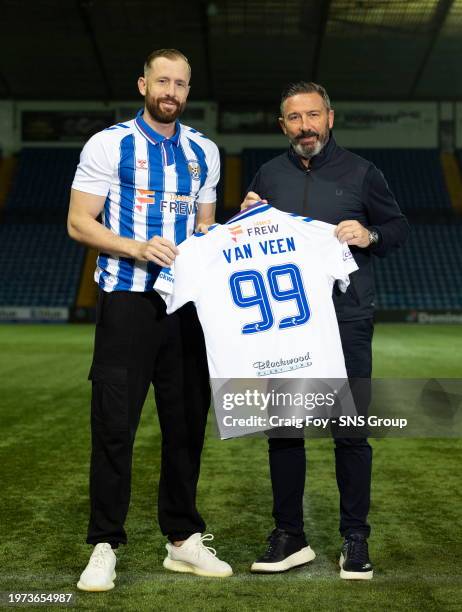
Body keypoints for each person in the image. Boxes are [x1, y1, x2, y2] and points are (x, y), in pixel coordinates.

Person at [67, 48, 232, 591]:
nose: (172, 92)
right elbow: (78, 223)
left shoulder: (204, 151)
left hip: (186, 308)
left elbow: (206, 228)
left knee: (185, 424)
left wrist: (238, 226)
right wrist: (137, 247)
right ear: (143, 84)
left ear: (188, 91)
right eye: (162, 81)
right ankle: (104, 544)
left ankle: (182, 538)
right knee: (115, 426)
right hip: (128, 304)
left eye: (181, 84)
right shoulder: (109, 144)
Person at [241, 81, 409, 579]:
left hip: (347, 319)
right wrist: (247, 219)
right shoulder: (268, 176)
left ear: (330, 118)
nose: (305, 126)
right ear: (283, 125)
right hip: (288, 328)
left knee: (351, 431)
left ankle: (355, 538)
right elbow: (249, 240)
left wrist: (370, 233)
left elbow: (398, 228)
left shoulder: (362, 172)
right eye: (295, 118)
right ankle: (289, 535)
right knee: (285, 430)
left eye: (313, 115)